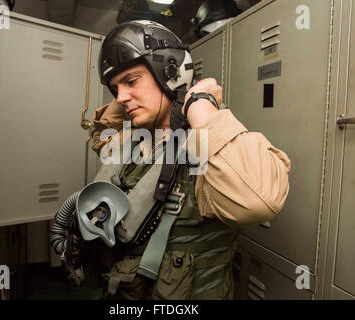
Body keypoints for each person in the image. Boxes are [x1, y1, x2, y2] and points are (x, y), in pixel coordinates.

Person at [53, 20, 290, 300]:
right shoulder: (136, 138)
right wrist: (125, 95)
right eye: (115, 89)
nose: (121, 96)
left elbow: (258, 200)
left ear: (172, 73)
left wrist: (200, 106)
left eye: (131, 81)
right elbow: (102, 137)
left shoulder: (210, 147)